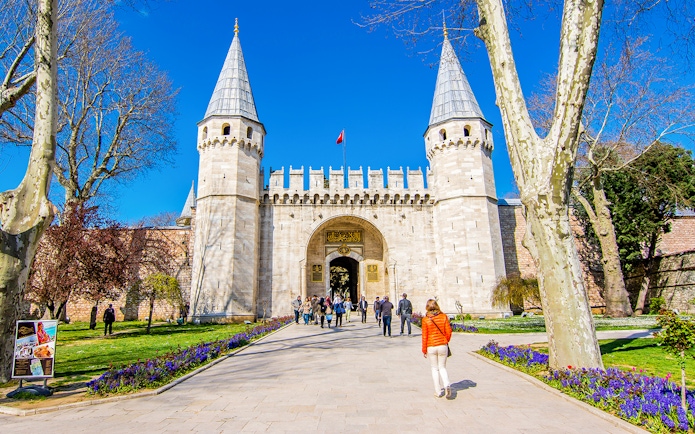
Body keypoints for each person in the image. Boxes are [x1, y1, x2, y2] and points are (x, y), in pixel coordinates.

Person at [421, 299, 453, 398]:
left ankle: (438, 391)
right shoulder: (443, 317)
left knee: (434, 368)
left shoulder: (425, 320)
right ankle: (447, 384)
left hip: (431, 346)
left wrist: (424, 349)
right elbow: (449, 332)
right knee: (442, 367)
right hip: (442, 345)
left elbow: (424, 336)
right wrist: (444, 340)